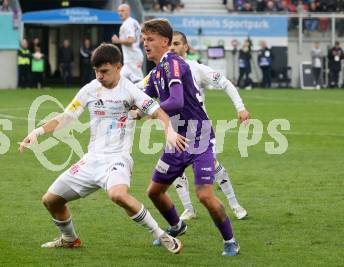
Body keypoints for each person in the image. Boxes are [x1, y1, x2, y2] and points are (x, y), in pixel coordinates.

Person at [18, 43, 185, 254]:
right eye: (96, 71)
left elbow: (159, 111)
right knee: (50, 200)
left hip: (118, 159)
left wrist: (168, 130)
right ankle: (69, 239)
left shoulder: (131, 90)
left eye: (104, 71)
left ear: (118, 67)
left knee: (118, 195)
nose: (99, 76)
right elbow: (65, 117)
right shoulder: (89, 90)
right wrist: (37, 133)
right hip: (91, 160)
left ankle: (161, 235)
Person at [140, 18, 240, 256]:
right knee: (154, 192)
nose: (145, 44)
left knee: (204, 194)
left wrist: (149, 112)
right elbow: (142, 99)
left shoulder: (172, 64)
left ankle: (230, 241)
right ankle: (177, 225)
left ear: (165, 42)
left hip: (199, 137)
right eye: (144, 39)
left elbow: (176, 101)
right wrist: (126, 104)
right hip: (177, 140)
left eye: (150, 39)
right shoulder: (156, 72)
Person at [160, 31, 249, 221]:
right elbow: (139, 89)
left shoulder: (196, 68)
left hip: (199, 130)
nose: (172, 48)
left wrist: (241, 108)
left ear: (186, 47)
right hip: (175, 129)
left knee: (213, 166)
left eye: (177, 44)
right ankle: (189, 209)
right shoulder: (162, 71)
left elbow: (226, 84)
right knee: (174, 169)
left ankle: (235, 205)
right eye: (170, 44)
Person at [112, 4, 144, 83]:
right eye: (119, 11)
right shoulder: (134, 22)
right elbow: (141, 38)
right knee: (119, 81)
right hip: (132, 56)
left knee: (139, 82)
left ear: (129, 12)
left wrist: (117, 40)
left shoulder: (127, 24)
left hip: (132, 58)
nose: (120, 13)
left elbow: (131, 41)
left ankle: (147, 93)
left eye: (122, 10)